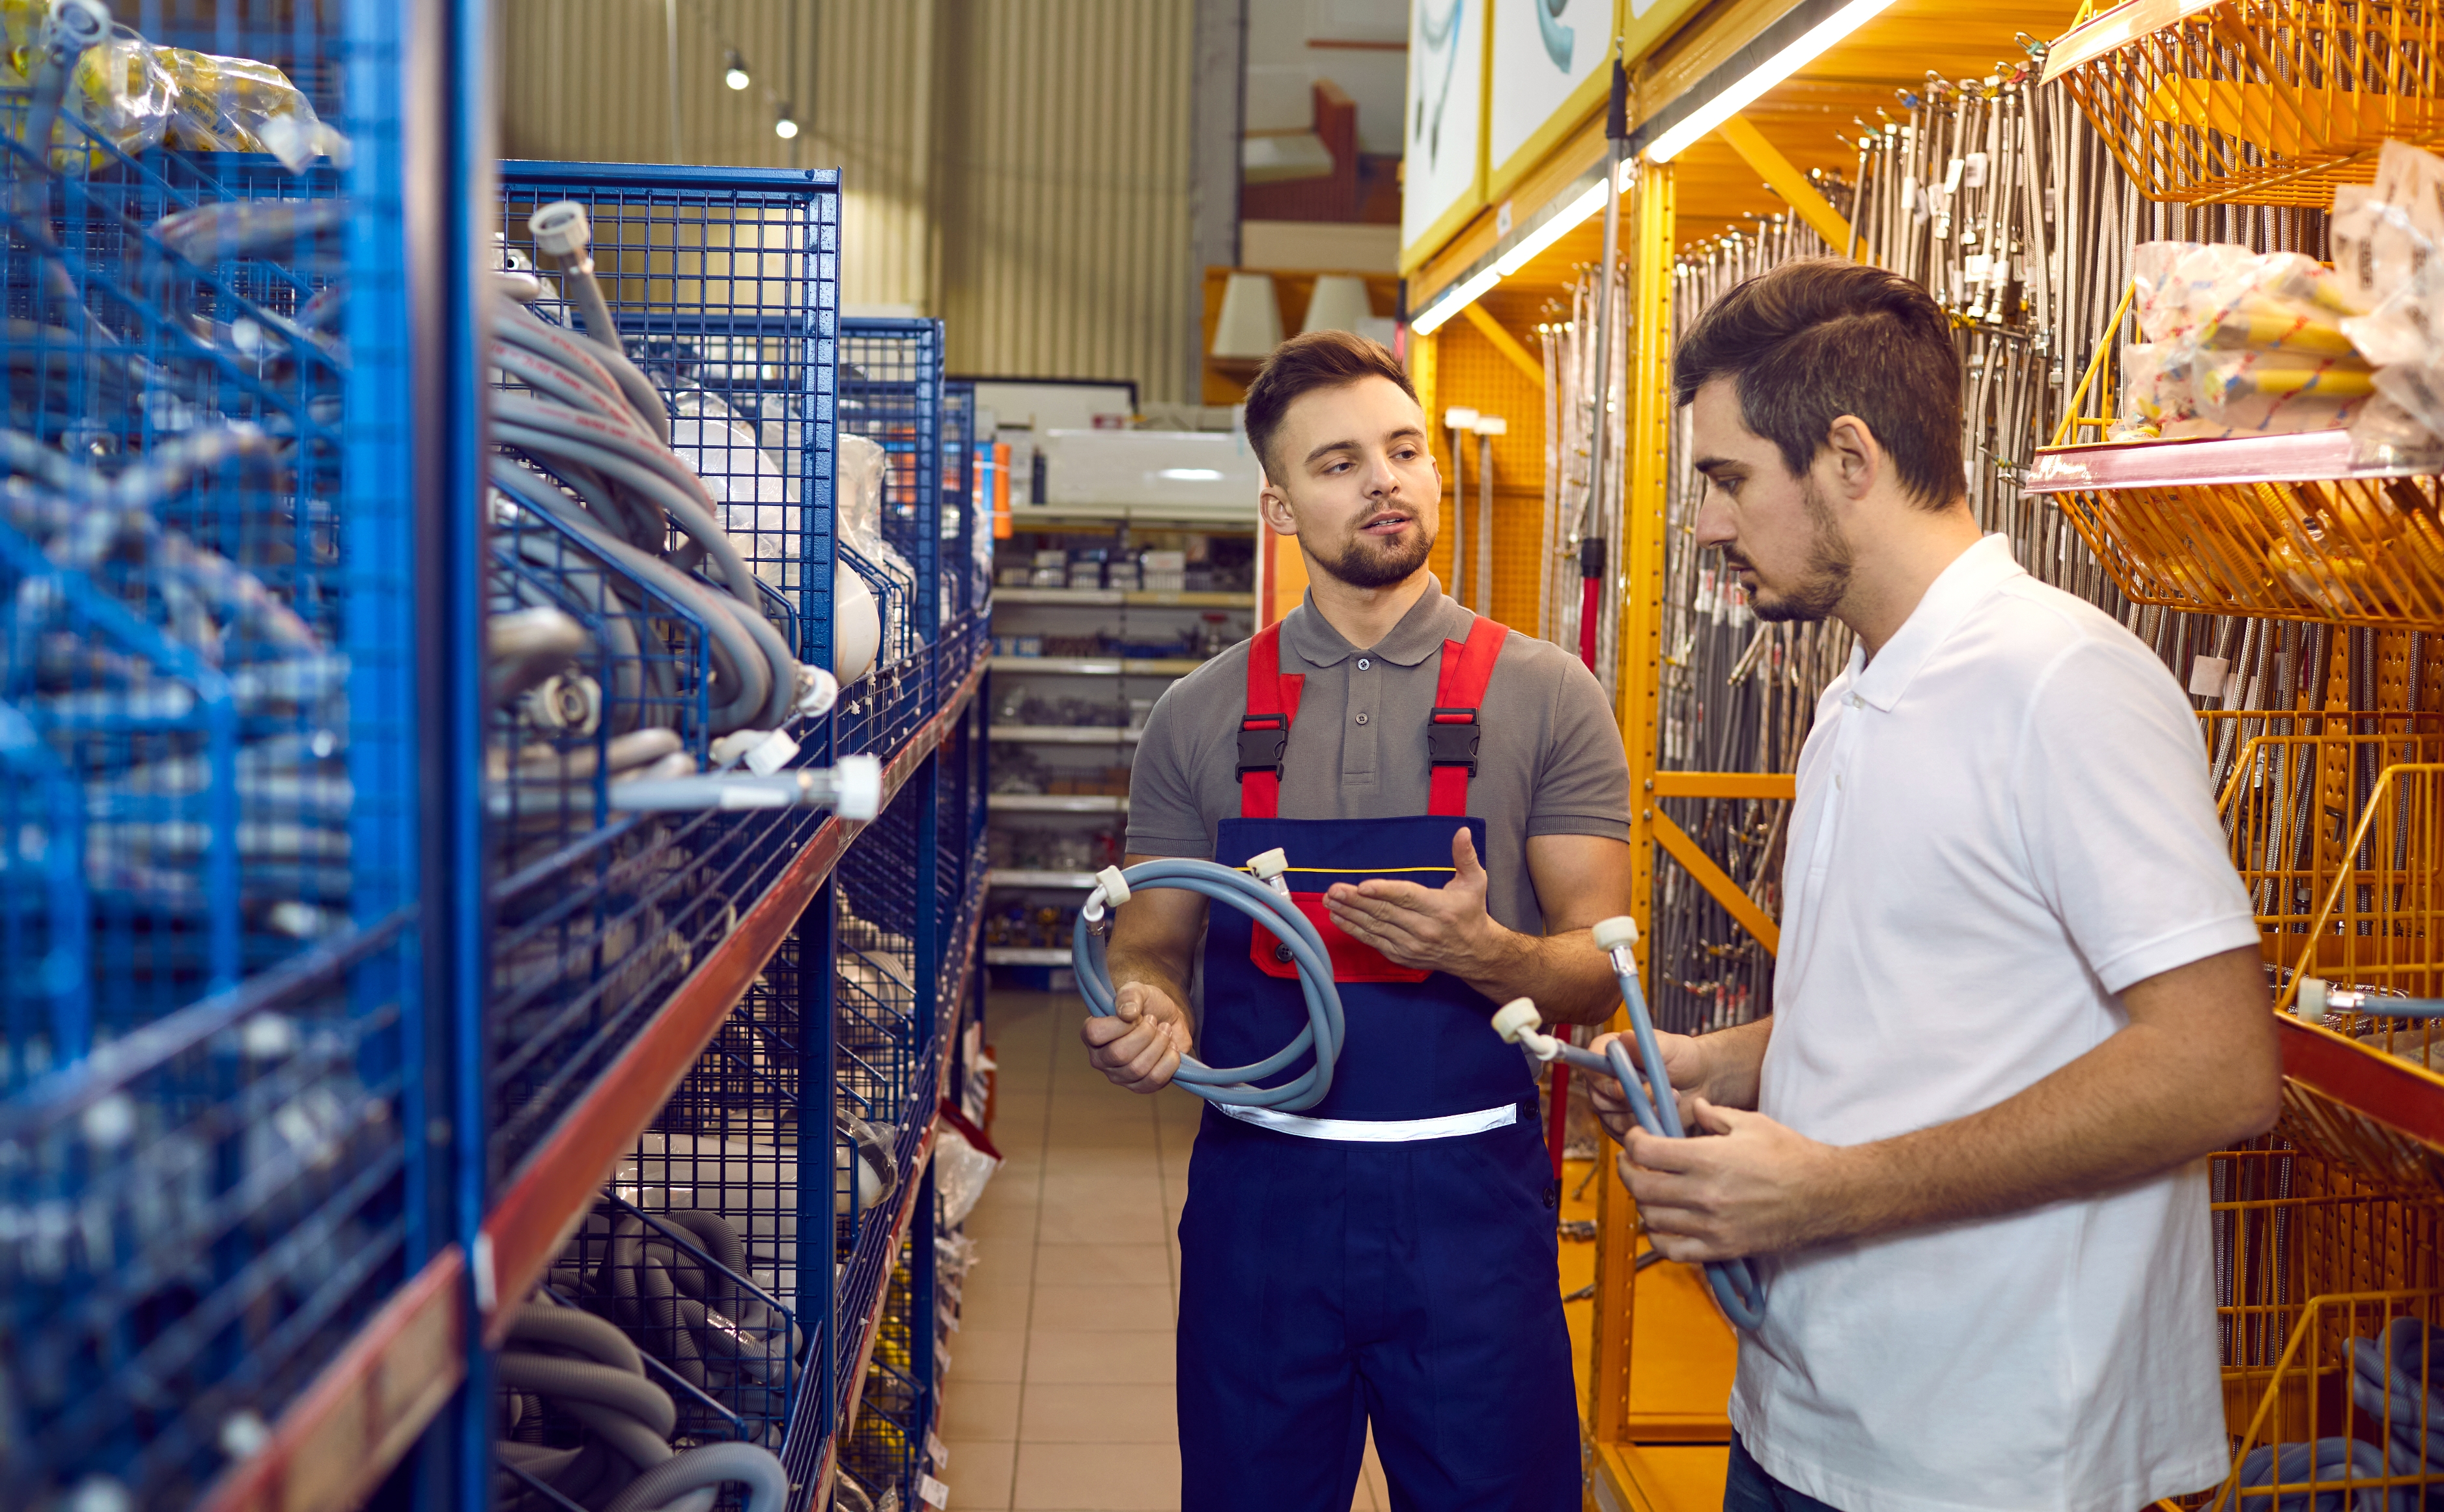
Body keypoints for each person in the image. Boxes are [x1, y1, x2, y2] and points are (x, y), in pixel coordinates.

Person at [1590, 259, 2282, 1512]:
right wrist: (1726, 1062)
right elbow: (1927, 1003)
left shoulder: (2060, 682)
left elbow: (2216, 1067)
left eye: (1728, 478)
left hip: (1989, 1455)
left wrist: (1831, 1188)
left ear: (1847, 458)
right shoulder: (1856, 697)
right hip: (1806, 1410)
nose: (1705, 526)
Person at [1080, 329, 1635, 1511]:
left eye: (1403, 449)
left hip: (1472, 1215)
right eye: (1338, 464)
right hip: (1262, 1209)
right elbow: (1156, 937)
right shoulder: (1200, 717)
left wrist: (1484, 953)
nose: (1384, 479)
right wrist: (1147, 1006)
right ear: (1279, 507)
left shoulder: (1548, 696)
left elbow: (1603, 969)